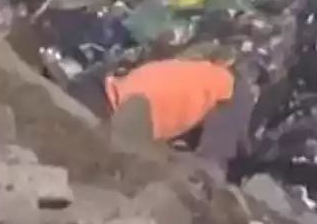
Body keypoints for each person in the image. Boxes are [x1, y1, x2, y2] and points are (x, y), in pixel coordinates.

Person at [69, 57, 256, 175]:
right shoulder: (125, 85)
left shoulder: (132, 105)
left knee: (210, 167)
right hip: (212, 78)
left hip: (226, 91)